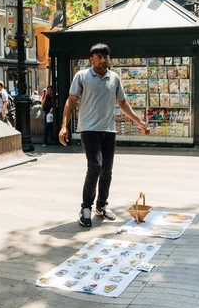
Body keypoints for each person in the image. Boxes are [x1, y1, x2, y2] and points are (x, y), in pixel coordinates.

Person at [59, 43, 150, 227]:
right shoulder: (82, 76)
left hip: (109, 130)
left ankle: (102, 206)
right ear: (91, 59)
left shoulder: (114, 78)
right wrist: (63, 126)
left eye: (106, 57)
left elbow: (123, 104)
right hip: (89, 129)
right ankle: (86, 208)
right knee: (95, 166)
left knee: (107, 171)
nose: (103, 60)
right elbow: (70, 102)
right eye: (99, 57)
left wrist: (139, 122)